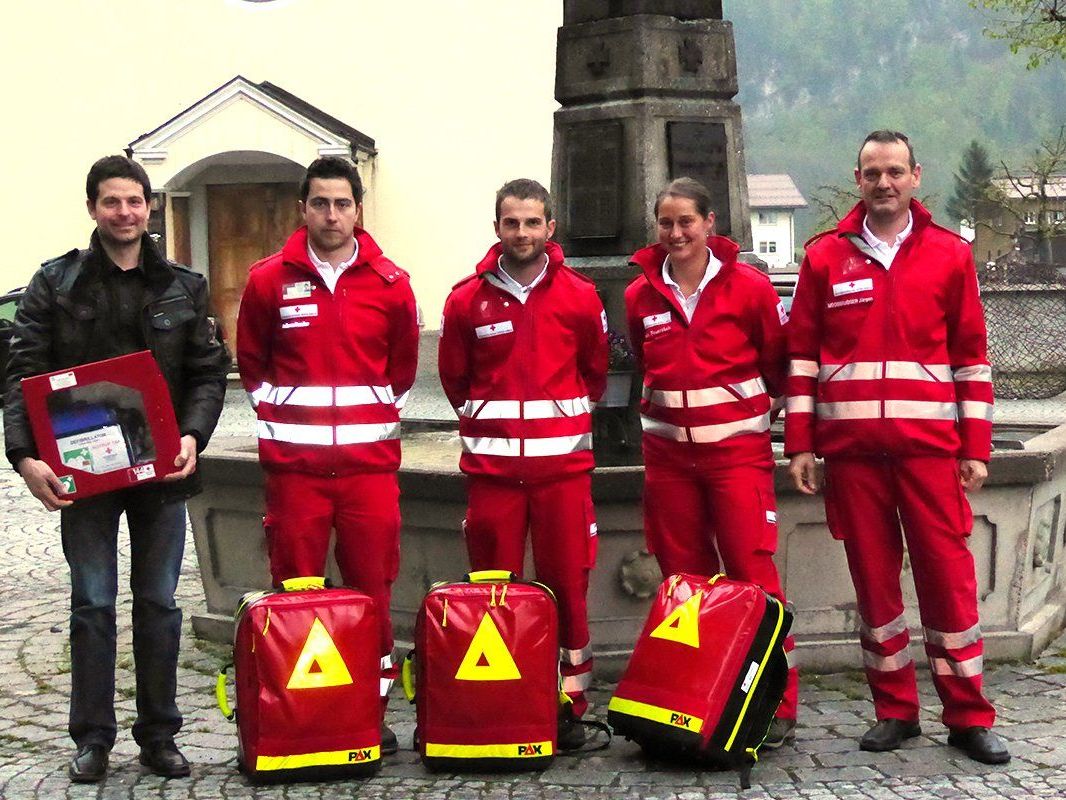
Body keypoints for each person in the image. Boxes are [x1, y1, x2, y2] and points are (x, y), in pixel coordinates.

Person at [3, 156, 230, 782]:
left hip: (163, 474)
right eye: (112, 202)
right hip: (86, 478)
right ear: (93, 208)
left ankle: (160, 736)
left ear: (150, 207)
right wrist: (24, 457)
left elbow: (208, 372)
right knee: (92, 603)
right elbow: (21, 374)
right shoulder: (56, 283)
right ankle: (93, 740)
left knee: (158, 602)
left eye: (135, 201)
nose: (125, 213)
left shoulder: (185, 285)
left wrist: (192, 434)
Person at [786, 131, 1008, 764]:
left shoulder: (949, 255)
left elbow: (971, 359)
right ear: (857, 179)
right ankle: (895, 711)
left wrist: (977, 446)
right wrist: (801, 443)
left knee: (949, 585)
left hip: (929, 454)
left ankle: (967, 715)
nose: (883, 183)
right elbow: (802, 359)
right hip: (853, 456)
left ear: (916, 176)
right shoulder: (825, 258)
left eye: (894, 172)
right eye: (871, 173)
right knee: (875, 588)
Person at [236, 156, 418, 754]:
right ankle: (299, 716)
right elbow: (253, 365)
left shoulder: (392, 285)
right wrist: (289, 426)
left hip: (368, 473)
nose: (332, 215)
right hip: (296, 476)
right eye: (321, 203)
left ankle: (373, 712)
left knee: (374, 597)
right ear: (303, 209)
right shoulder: (269, 281)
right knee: (294, 595)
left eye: (342, 204)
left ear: (358, 210)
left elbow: (402, 370)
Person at [623, 176, 799, 748]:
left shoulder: (749, 288)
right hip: (669, 463)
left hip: (736, 460)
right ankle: (694, 696)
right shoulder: (639, 296)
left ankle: (777, 702)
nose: (676, 233)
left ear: (709, 224)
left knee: (754, 574)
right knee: (684, 584)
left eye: (686, 222)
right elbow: (645, 370)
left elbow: (778, 365)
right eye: (666, 223)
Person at [438, 178, 608, 749]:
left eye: (533, 222)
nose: (522, 233)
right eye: (512, 223)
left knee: (568, 586)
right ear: (497, 228)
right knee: (495, 593)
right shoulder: (466, 299)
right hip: (493, 480)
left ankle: (570, 703)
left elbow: (595, 373)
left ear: (550, 228)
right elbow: (455, 380)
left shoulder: (581, 296)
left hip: (563, 476)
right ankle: (506, 699)